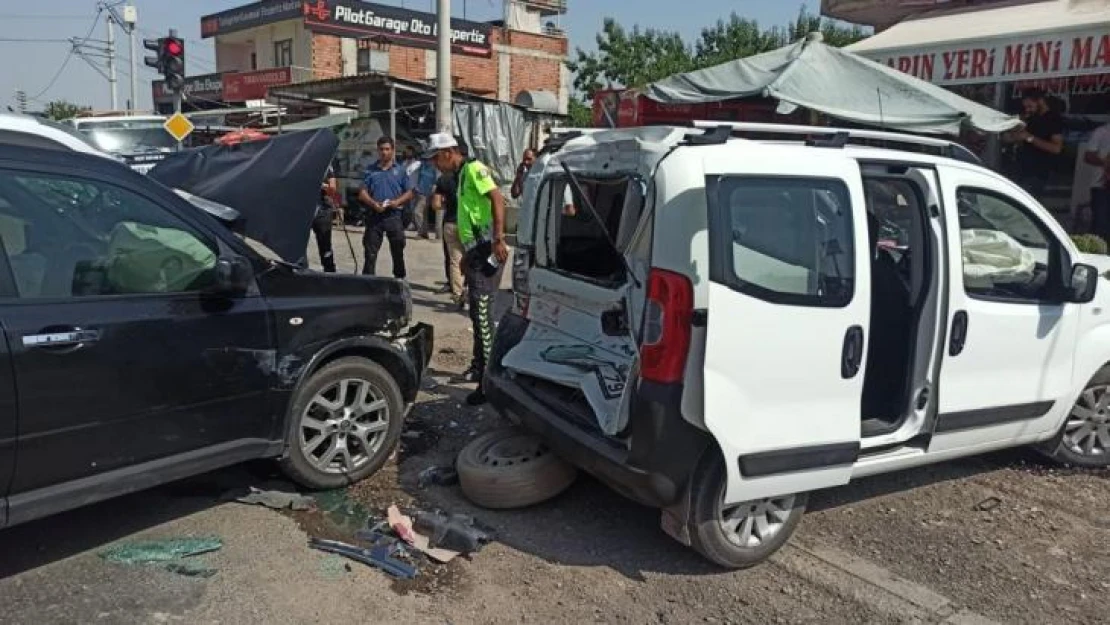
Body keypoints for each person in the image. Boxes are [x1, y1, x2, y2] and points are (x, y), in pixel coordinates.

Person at [426, 132, 508, 405]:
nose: (435, 164)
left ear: (449, 152)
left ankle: (488, 380)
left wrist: (498, 238)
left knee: (482, 315)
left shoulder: (474, 169)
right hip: (476, 252)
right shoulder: (460, 175)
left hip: (488, 251)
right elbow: (468, 215)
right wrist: (466, 256)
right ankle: (479, 367)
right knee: (476, 313)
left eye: (436, 158)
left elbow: (498, 199)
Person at [359, 136, 414, 280]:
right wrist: (373, 204)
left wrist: (397, 202)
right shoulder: (370, 171)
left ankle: (399, 280)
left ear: (393, 150)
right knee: (370, 253)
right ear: (377, 150)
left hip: (394, 216)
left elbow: (409, 192)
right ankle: (368, 282)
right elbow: (362, 192)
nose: (384, 152)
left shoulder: (401, 171)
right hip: (375, 216)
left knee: (397, 251)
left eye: (387, 149)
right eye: (381, 149)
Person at [1011, 88, 1064, 201]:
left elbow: (1056, 148)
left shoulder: (1053, 119)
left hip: (1038, 172)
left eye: (1030, 106)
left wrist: (1030, 138)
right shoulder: (1030, 117)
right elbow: (1013, 138)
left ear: (1040, 101)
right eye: (1026, 107)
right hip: (1021, 168)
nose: (1028, 109)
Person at [1082, 120, 1110, 241]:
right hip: (1102, 185)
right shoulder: (1102, 131)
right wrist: (1105, 162)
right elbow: (1088, 156)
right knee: (1100, 225)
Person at [311, 160, 338, 273]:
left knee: (325, 245)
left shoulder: (326, 164)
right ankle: (299, 271)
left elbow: (332, 188)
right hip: (303, 209)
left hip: (322, 209)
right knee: (298, 246)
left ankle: (330, 271)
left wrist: (322, 185)